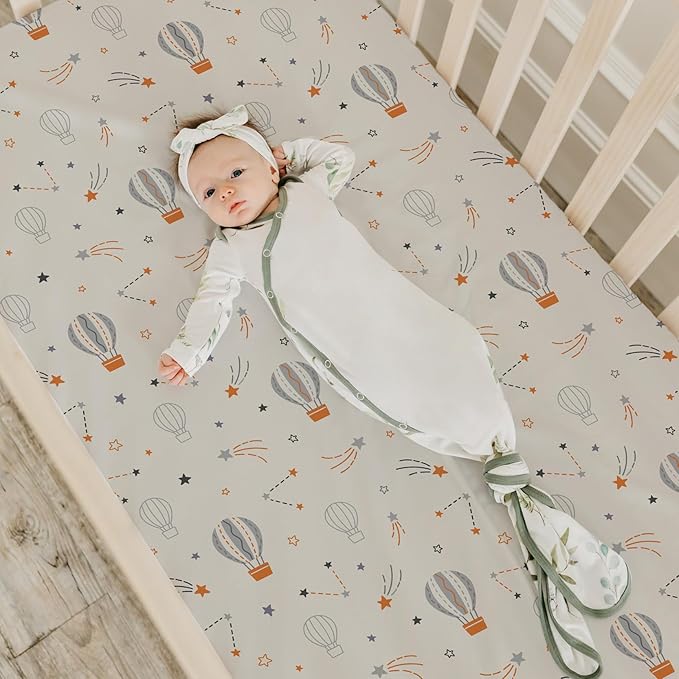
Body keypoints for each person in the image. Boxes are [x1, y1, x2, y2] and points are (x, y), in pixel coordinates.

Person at [157, 104, 631, 679]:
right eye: (208, 192)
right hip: (360, 351)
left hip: (408, 319)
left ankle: (497, 449)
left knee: (452, 356)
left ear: (272, 168)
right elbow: (212, 302)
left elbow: (341, 157)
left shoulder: (308, 191)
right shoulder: (231, 250)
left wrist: (294, 154)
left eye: (237, 172)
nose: (227, 193)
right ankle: (504, 475)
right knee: (405, 392)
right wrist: (188, 352)